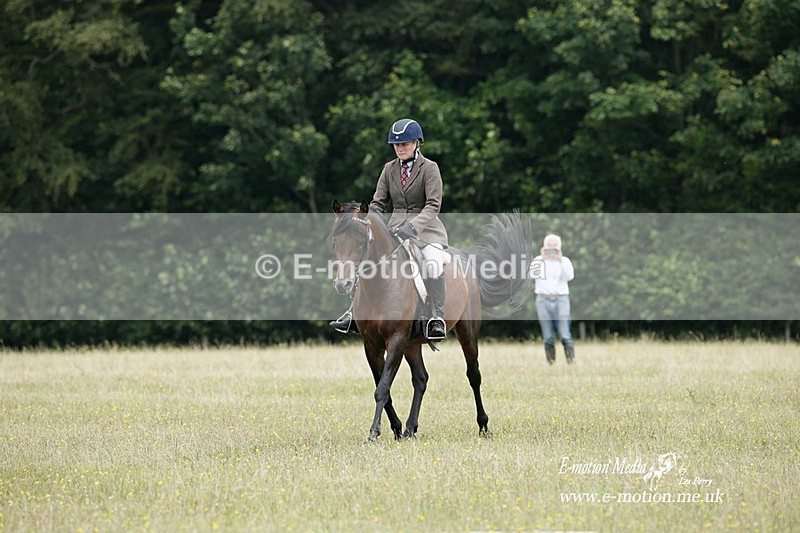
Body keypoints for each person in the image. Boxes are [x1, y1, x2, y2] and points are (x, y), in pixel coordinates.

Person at [331, 118, 448, 340]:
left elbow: (433, 205)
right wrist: (364, 219)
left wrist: (413, 227)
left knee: (432, 262)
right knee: (367, 261)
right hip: (394, 230)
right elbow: (378, 204)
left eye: (404, 144)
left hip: (426, 231)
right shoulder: (389, 169)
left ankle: (436, 317)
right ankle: (353, 313)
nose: (400, 149)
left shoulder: (430, 168)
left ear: (416, 143)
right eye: (396, 145)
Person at [530, 234, 575, 364]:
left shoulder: (565, 261)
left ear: (559, 247)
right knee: (548, 336)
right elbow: (532, 274)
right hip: (543, 300)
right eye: (549, 245)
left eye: (554, 245)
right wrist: (542, 259)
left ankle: (570, 361)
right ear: (544, 246)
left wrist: (560, 259)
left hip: (561, 299)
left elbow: (569, 276)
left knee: (565, 334)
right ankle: (551, 362)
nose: (552, 248)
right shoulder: (538, 260)